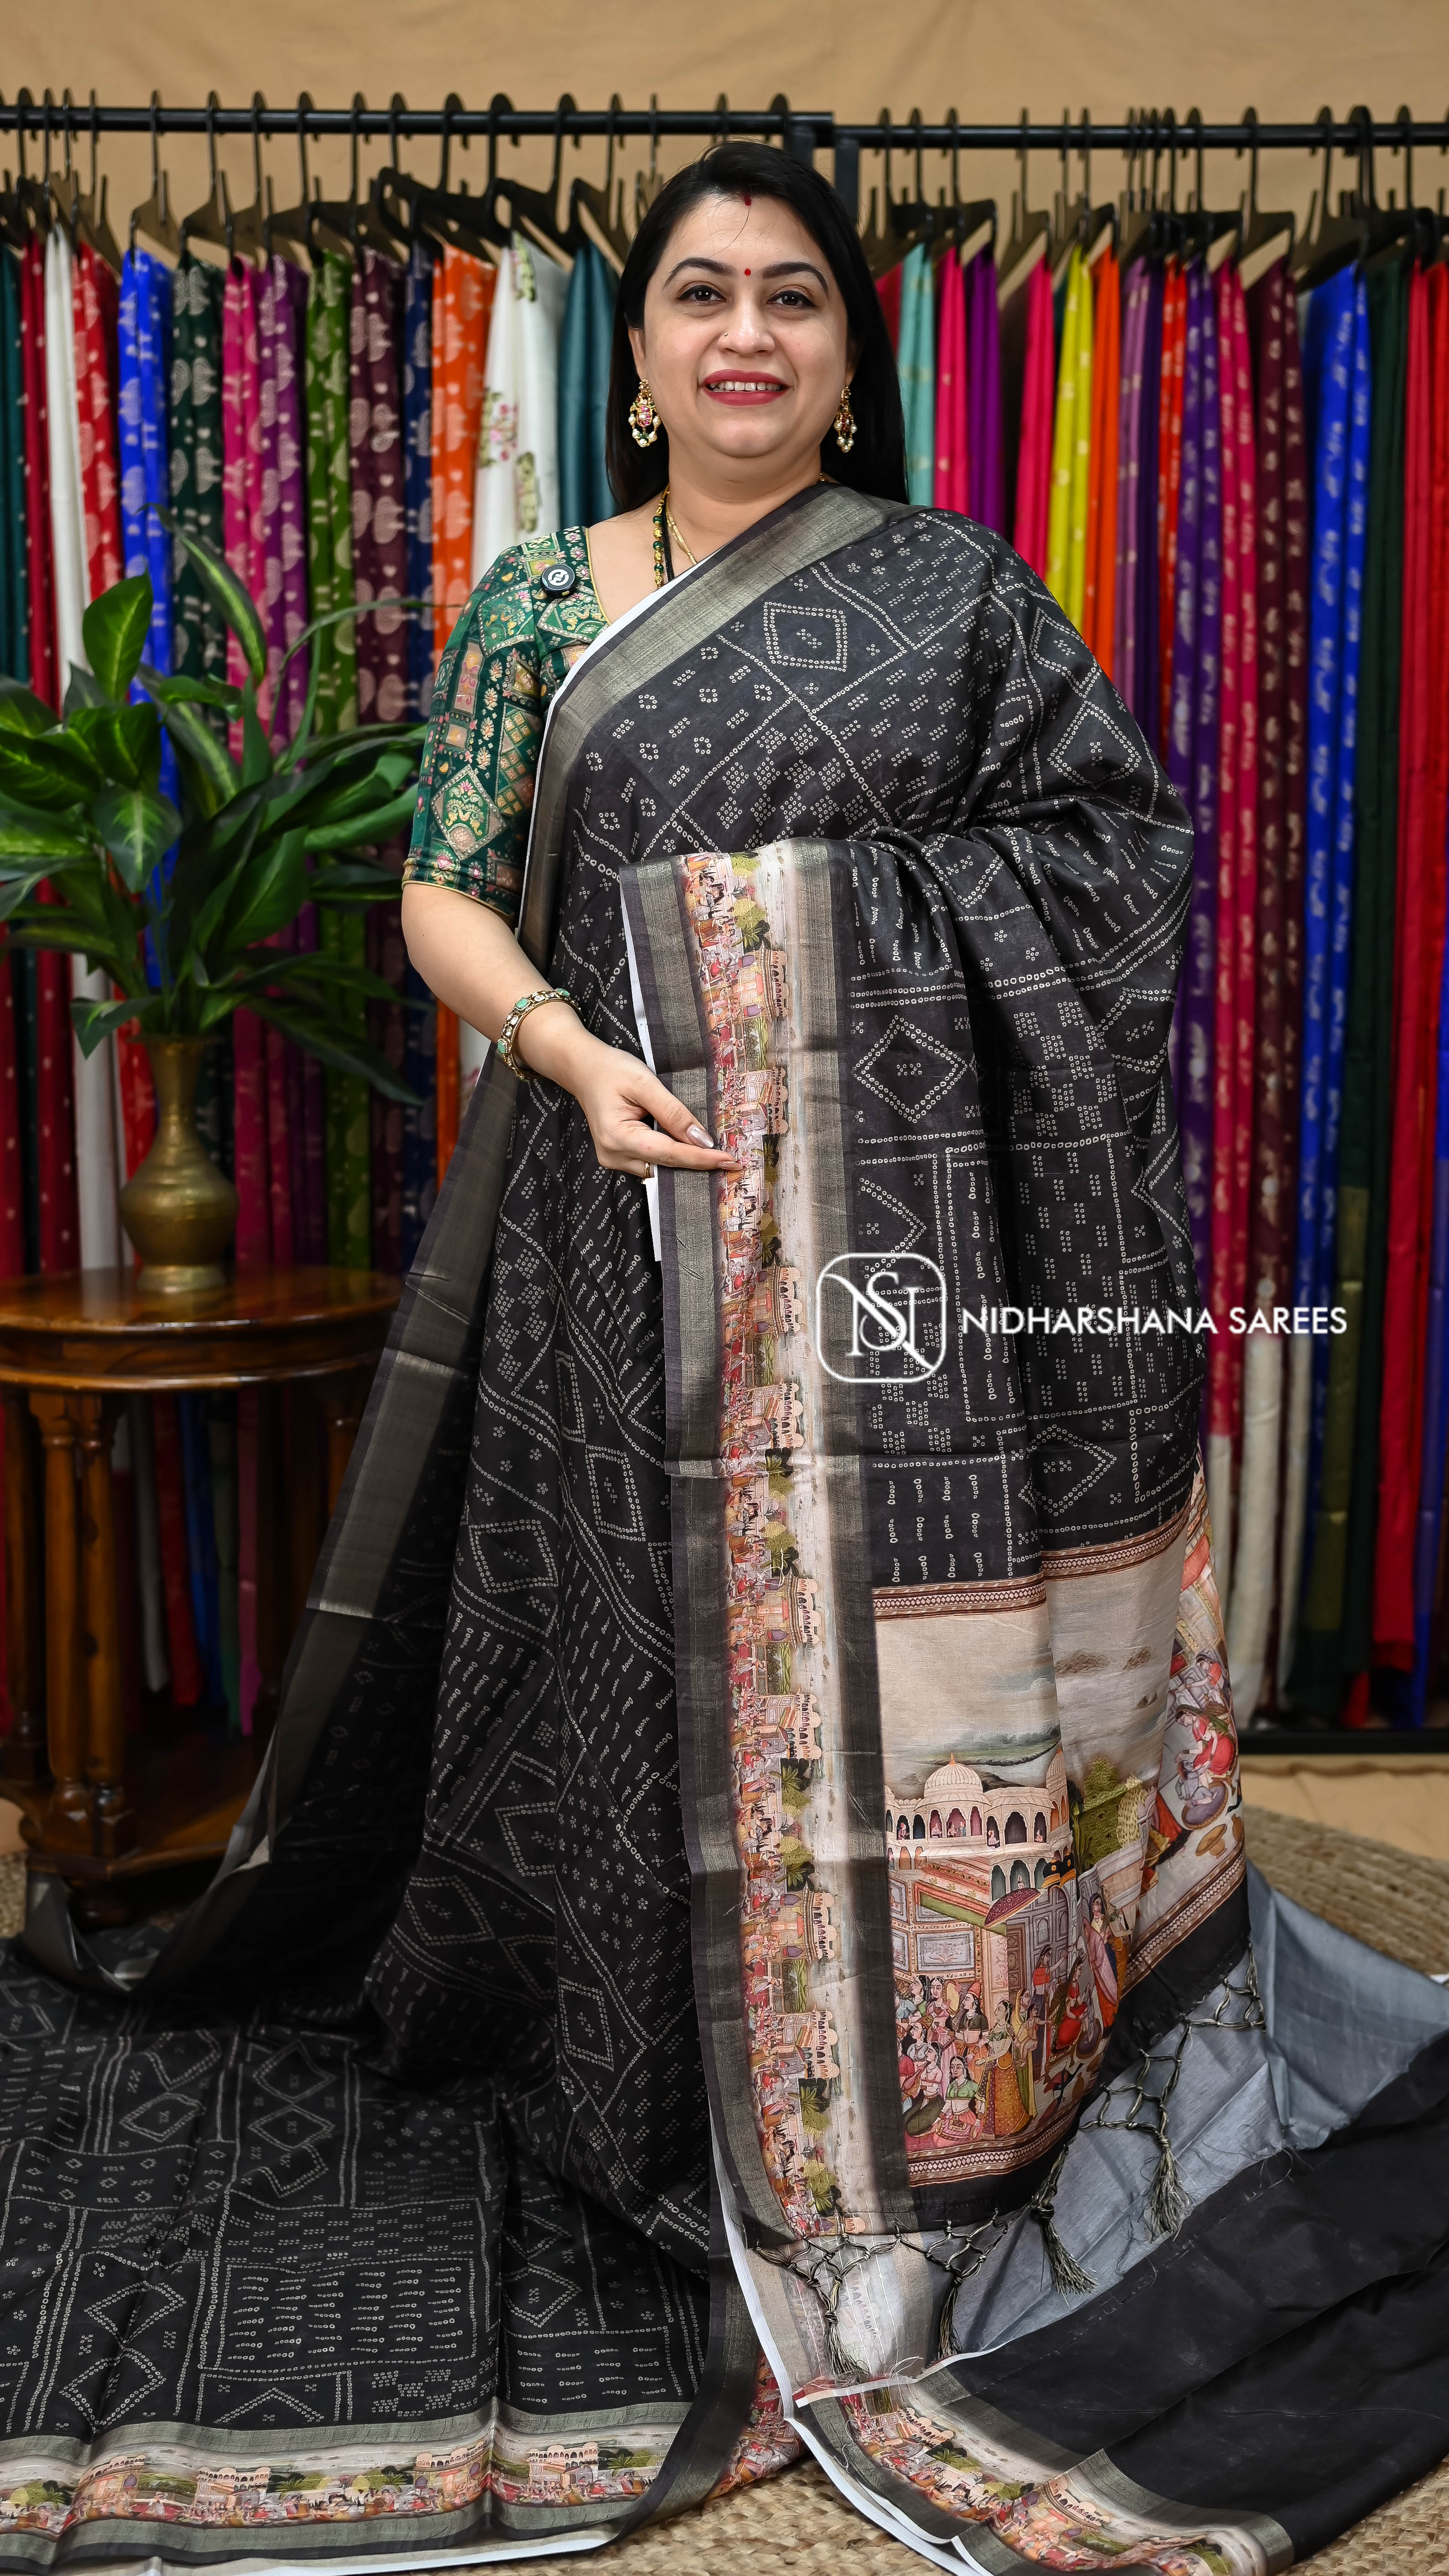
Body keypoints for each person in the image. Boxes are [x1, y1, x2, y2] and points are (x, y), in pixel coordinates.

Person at [9, 140, 1446, 2576]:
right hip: (615, 1213)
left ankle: (886, 2086)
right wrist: (576, 1048)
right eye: (700, 296)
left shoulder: (959, 599)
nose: (745, 336)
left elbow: (1114, 869)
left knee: (888, 1684)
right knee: (622, 1650)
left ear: (850, 349)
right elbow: (447, 888)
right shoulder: (540, 607)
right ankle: (634, 2076)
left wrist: (797, 939)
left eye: (792, 296)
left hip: (898, 1272)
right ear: (646, 350)